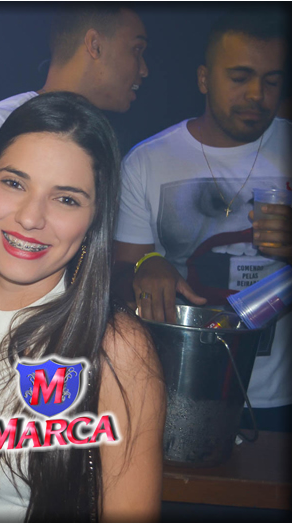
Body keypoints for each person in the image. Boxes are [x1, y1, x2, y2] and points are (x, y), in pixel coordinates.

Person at [0, 92, 164, 522]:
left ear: (95, 219)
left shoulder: (116, 349)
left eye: (66, 199)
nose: (31, 217)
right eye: (14, 183)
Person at [113, 13, 291, 430]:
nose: (257, 94)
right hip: (175, 391)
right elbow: (117, 277)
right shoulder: (147, 161)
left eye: (271, 81)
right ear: (204, 79)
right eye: (240, 77)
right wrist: (145, 267)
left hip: (279, 399)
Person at [0, 5, 149, 265]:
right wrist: (29, 241)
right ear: (95, 45)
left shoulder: (102, 141)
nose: (144, 69)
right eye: (136, 50)